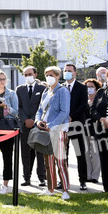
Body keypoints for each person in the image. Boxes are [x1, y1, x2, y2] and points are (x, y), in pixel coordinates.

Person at [35, 66, 71, 199]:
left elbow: (64, 112)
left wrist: (51, 125)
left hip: (58, 130)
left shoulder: (63, 91)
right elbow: (40, 110)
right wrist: (38, 121)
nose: (48, 77)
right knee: (48, 161)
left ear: (57, 76)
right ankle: (51, 188)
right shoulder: (46, 91)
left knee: (60, 161)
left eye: (51, 75)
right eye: (46, 75)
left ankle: (65, 190)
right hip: (45, 130)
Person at [15, 65, 47, 187]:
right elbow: (18, 107)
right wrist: (25, 120)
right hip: (24, 126)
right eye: (26, 75)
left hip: (38, 125)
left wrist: (34, 120)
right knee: (25, 153)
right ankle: (26, 177)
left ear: (35, 74)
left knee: (40, 152)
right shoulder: (20, 89)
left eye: (30, 74)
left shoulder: (42, 89)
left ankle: (42, 178)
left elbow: (43, 107)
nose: (28, 76)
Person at [90, 67, 108, 192]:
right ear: (106, 78)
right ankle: (107, 187)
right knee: (105, 160)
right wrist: (101, 118)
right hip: (102, 131)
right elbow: (92, 109)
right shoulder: (101, 92)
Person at [62, 63, 89, 190]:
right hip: (63, 125)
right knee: (63, 154)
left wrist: (72, 116)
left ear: (75, 73)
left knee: (80, 153)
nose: (67, 72)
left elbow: (84, 105)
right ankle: (63, 180)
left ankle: (82, 180)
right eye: (65, 70)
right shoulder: (61, 87)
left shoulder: (81, 87)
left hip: (77, 124)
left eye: (69, 70)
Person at [83, 78, 102, 183]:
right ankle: (88, 175)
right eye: (87, 87)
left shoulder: (99, 100)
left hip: (95, 130)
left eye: (91, 87)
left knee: (95, 154)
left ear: (96, 88)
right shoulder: (83, 100)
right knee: (85, 153)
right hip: (83, 129)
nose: (89, 89)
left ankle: (95, 175)